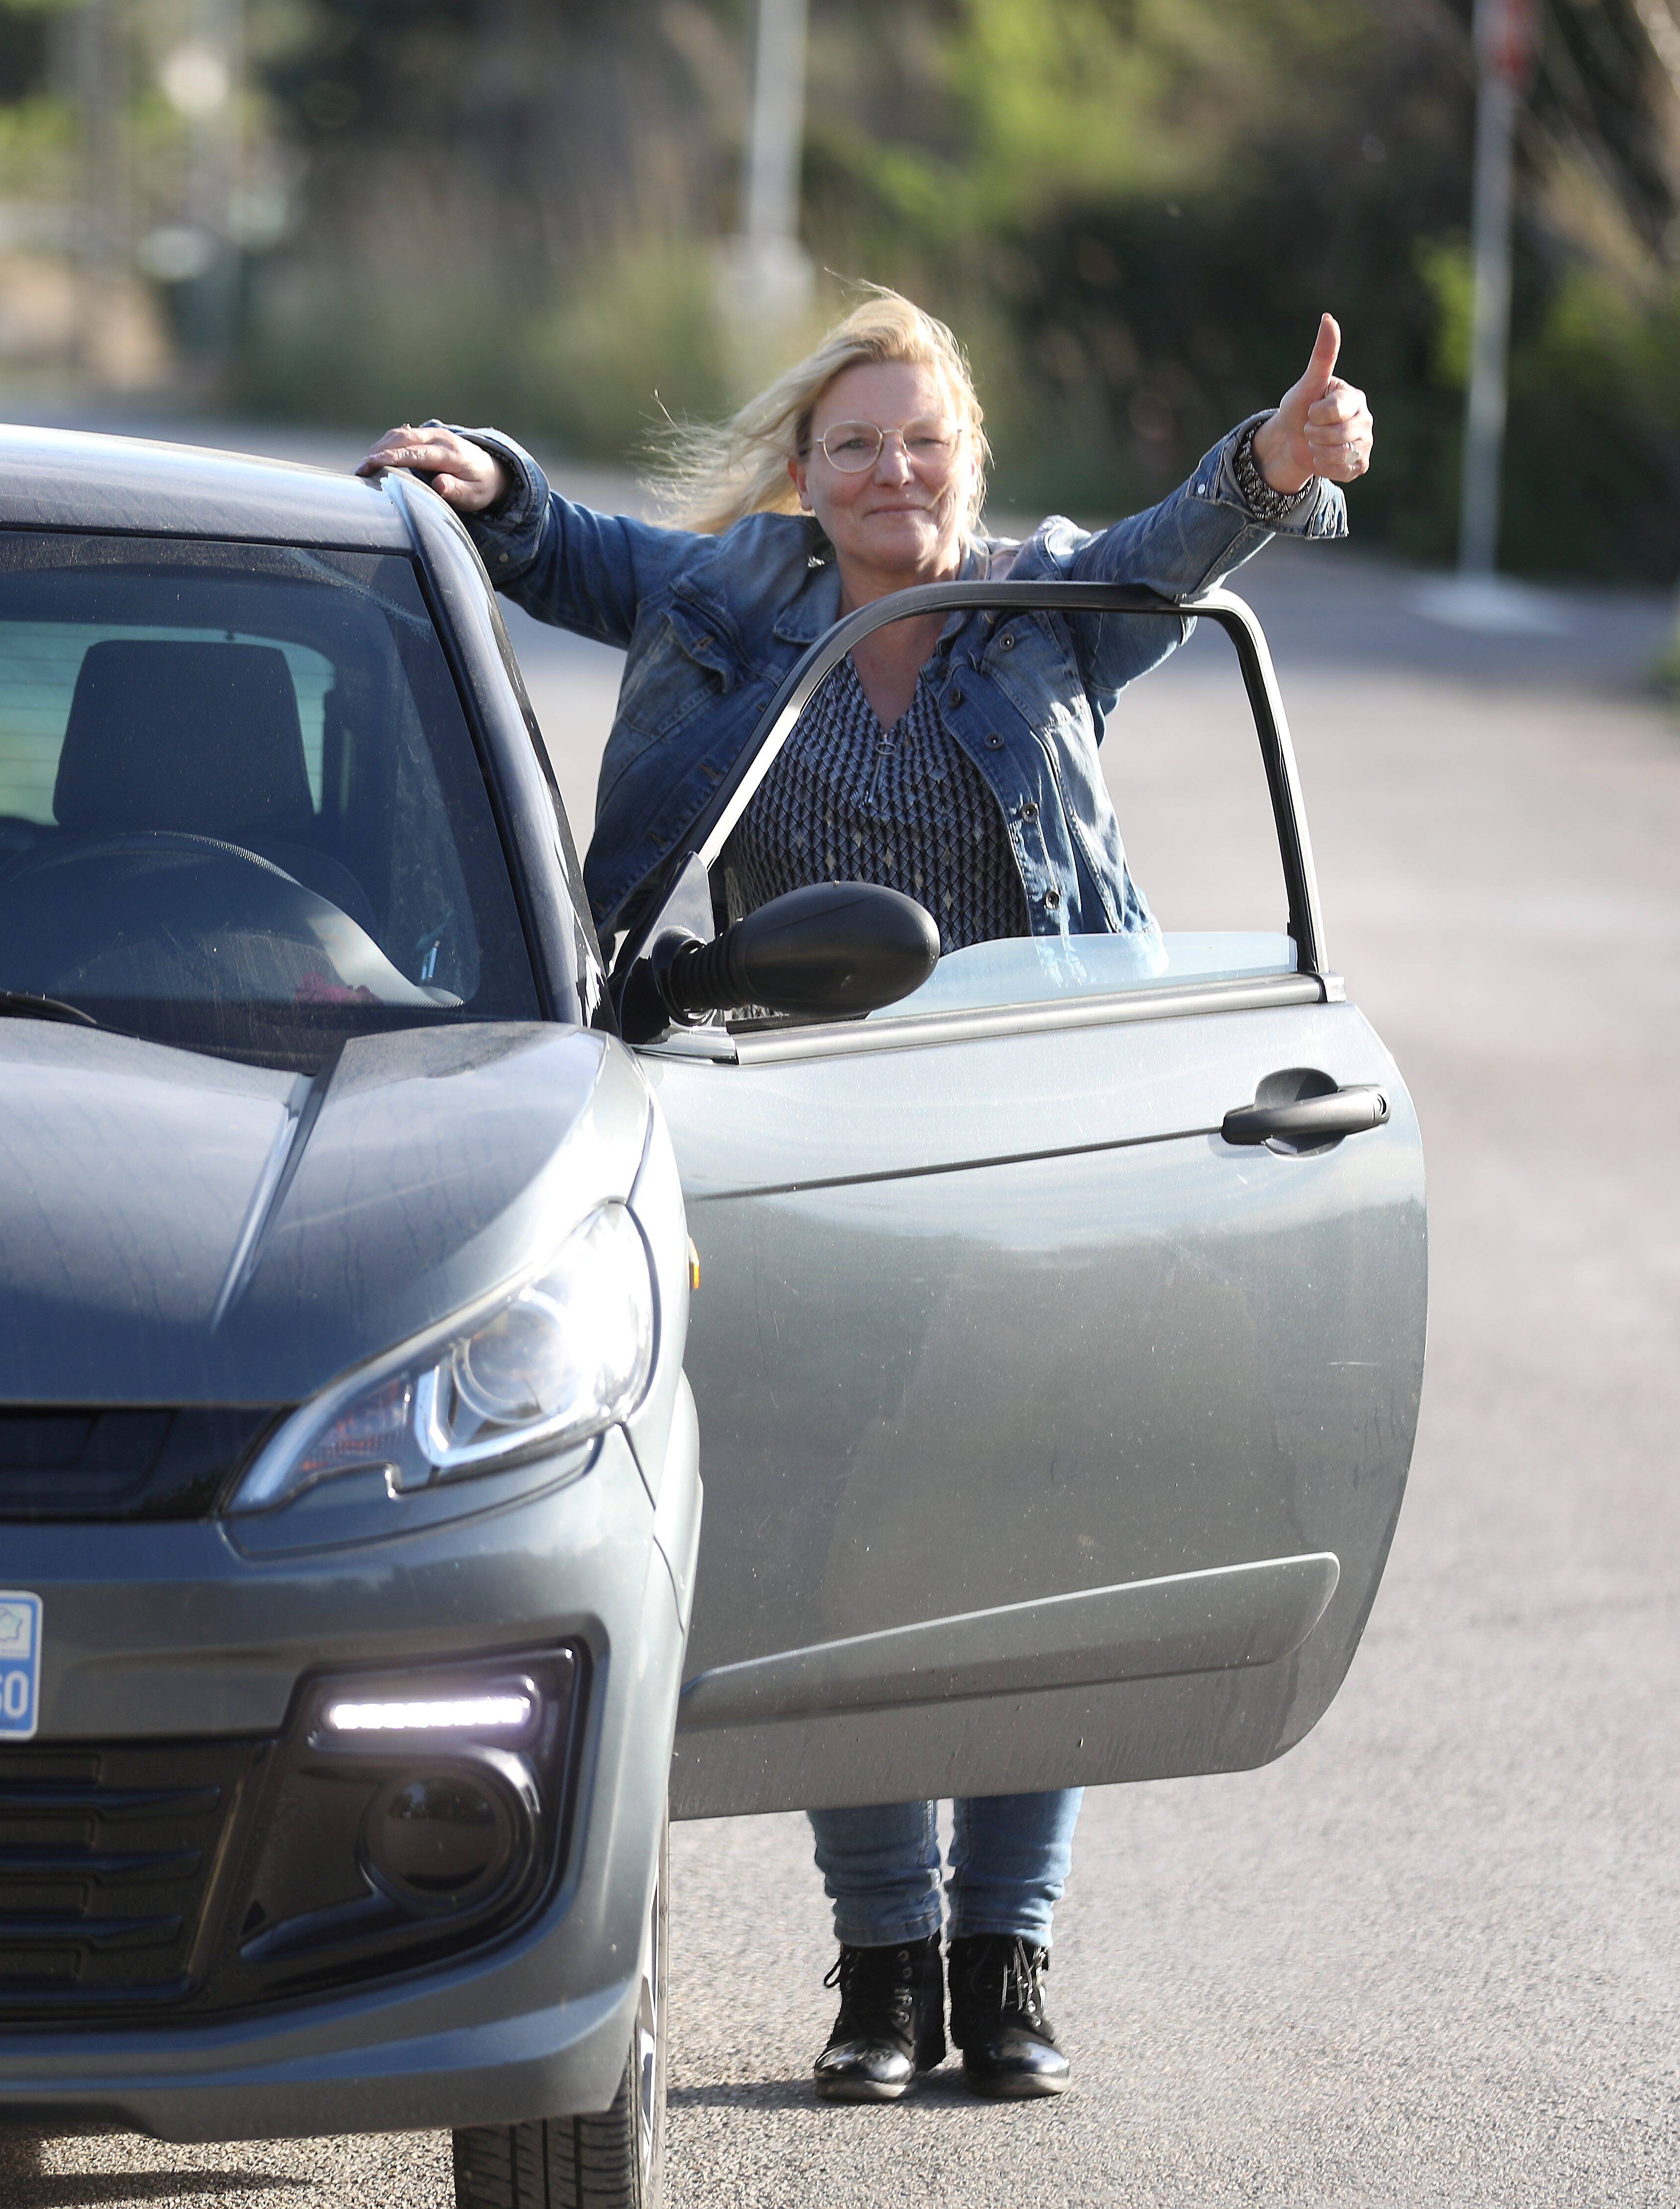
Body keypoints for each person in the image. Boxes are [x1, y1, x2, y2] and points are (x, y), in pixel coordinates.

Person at [360, 285, 1372, 2102]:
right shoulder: (732, 598)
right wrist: (483, 477)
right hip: (818, 1142)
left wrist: (1273, 465)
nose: (887, 470)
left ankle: (1012, 1956)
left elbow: (1171, 550)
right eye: (853, 444)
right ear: (807, 475)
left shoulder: (1043, 613)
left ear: (964, 465)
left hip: (1036, 1136)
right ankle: (885, 1966)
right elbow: (566, 550)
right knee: (854, 1536)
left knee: (1035, 1531)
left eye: (919, 441)